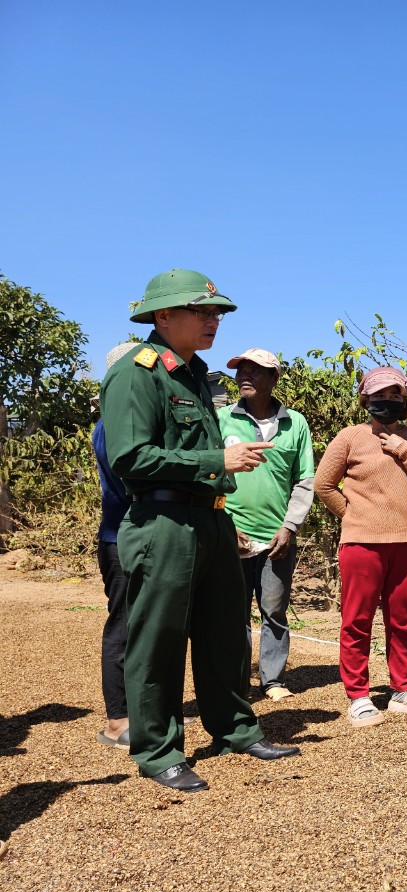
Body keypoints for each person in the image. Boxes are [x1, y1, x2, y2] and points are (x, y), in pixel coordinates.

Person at [99, 269, 301, 793]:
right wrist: (220, 457)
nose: (213, 321)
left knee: (225, 635)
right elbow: (130, 458)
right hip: (163, 522)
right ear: (163, 316)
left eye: (217, 313)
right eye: (202, 311)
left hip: (210, 519)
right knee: (159, 642)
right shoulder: (137, 373)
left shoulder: (194, 374)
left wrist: (220, 509)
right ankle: (158, 748)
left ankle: (235, 728)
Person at [314, 366, 407, 727]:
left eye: (394, 395)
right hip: (362, 543)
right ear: (365, 399)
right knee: (357, 620)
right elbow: (324, 485)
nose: (387, 401)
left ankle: (402, 689)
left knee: (403, 620)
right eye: (379, 395)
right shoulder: (350, 437)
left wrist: (404, 450)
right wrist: (354, 515)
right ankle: (358, 695)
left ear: (405, 399)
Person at [217, 348, 315, 701]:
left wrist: (289, 527)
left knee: (274, 610)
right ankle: (238, 680)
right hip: (232, 536)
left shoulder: (295, 424)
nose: (245, 375)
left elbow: (305, 481)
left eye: (255, 371)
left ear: (274, 378)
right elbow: (210, 475)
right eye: (241, 369)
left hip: (277, 539)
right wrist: (223, 525)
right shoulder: (221, 420)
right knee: (233, 613)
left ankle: (272, 680)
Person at [92, 341, 139, 750]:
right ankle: (117, 720)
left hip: (134, 535)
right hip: (121, 537)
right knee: (123, 627)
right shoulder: (112, 426)